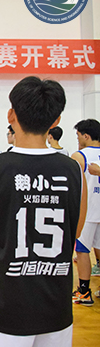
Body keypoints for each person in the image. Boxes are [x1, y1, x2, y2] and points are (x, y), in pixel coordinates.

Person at [0, 76, 86, 346]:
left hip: (4, 303)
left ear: (11, 115)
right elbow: (75, 231)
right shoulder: (74, 170)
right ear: (56, 120)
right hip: (55, 303)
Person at [71, 119, 100, 304]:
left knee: (82, 251)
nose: (78, 139)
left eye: (78, 136)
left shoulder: (80, 156)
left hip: (88, 211)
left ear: (86, 136)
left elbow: (71, 184)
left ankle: (84, 292)